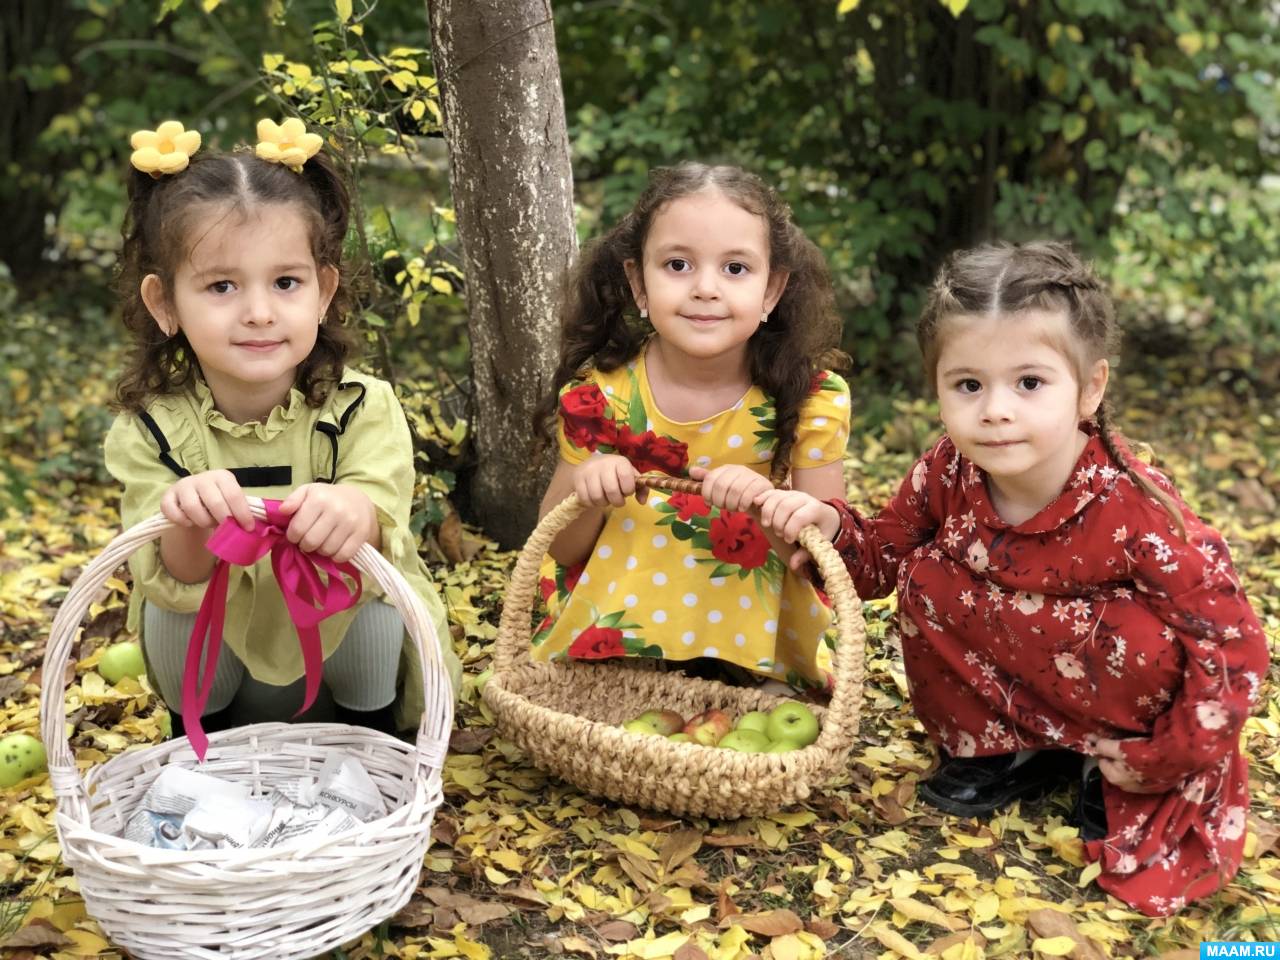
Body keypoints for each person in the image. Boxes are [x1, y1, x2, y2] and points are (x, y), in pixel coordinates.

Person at [753, 241, 1267, 915]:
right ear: (937, 387)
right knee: (928, 576)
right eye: (968, 384)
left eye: (1029, 383)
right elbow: (880, 559)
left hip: (1119, 709)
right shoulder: (948, 471)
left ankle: (1099, 766)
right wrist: (827, 523)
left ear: (1090, 389)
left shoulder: (1135, 505)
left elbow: (1232, 643)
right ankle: (1004, 751)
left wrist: (1170, 754)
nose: (995, 410)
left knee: (1143, 632)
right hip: (1011, 684)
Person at [104, 119, 462, 737]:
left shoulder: (360, 407)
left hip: (344, 685)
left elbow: (381, 517)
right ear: (165, 305)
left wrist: (354, 508)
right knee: (168, 613)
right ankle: (200, 760)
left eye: (286, 282)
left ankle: (374, 750)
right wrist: (188, 522)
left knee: (369, 582)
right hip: (230, 697)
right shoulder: (152, 429)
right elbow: (176, 575)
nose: (260, 312)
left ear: (322, 294)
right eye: (221, 286)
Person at [531, 162, 851, 690]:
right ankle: (621, 682)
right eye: (678, 265)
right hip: (621, 636)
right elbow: (561, 551)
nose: (705, 288)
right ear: (638, 282)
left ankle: (754, 682)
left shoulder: (809, 400)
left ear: (772, 290)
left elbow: (827, 561)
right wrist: (589, 490)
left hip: (758, 641)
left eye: (735, 269)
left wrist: (768, 505)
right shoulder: (601, 398)